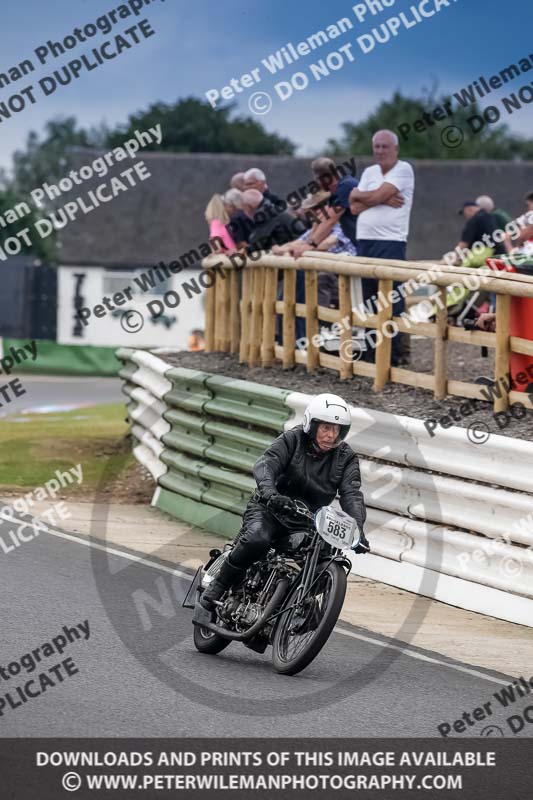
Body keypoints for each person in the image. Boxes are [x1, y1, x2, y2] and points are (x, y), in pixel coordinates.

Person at [200, 393, 369, 614]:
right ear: (312, 425)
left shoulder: (346, 457)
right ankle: (219, 585)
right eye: (326, 428)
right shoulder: (292, 439)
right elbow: (266, 464)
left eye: (337, 429)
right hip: (270, 509)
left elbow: (352, 494)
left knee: (325, 556)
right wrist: (271, 494)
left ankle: (297, 606)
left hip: (307, 521)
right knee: (257, 537)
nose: (331, 435)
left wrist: (357, 529)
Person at [348, 130, 415, 366]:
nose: (380, 151)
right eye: (376, 146)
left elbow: (362, 199)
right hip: (365, 240)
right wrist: (380, 197)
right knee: (369, 298)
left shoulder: (403, 169)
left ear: (395, 148)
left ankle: (394, 354)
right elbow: (353, 207)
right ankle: (372, 352)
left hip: (391, 241)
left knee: (391, 298)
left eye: (384, 146)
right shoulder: (369, 172)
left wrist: (364, 195)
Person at [290, 157, 359, 257]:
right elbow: (323, 218)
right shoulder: (339, 189)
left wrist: (311, 245)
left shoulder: (346, 187)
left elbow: (331, 220)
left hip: (372, 241)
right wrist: (307, 243)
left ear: (325, 179)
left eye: (317, 180)